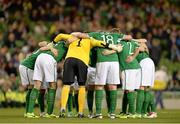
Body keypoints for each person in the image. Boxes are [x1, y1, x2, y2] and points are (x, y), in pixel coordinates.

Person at [54, 33, 122, 118]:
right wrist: (115, 47)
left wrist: (53, 42)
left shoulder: (72, 37)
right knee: (82, 86)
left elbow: (60, 35)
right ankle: (80, 112)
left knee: (66, 85)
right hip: (82, 61)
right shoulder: (90, 40)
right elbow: (102, 43)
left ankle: (63, 108)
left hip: (69, 60)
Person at [26, 40, 68, 118]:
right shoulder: (67, 47)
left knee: (37, 85)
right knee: (53, 86)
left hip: (40, 58)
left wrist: (51, 47)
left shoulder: (54, 43)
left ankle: (29, 112)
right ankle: (49, 113)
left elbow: (40, 45)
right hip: (49, 60)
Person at [102, 39, 141, 118]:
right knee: (130, 90)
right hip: (136, 67)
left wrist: (108, 52)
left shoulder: (120, 42)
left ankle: (131, 113)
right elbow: (139, 48)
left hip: (128, 68)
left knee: (129, 90)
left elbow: (118, 48)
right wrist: (133, 57)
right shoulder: (132, 42)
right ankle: (126, 112)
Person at [19, 41, 55, 118]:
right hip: (27, 67)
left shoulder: (46, 51)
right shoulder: (47, 50)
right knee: (32, 88)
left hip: (29, 67)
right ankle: (28, 112)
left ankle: (33, 112)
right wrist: (51, 47)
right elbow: (41, 45)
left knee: (35, 88)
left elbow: (40, 43)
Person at [126, 41, 157, 118]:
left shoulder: (131, 44)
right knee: (146, 89)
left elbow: (140, 47)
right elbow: (145, 46)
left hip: (144, 63)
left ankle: (139, 112)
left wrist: (133, 57)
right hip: (150, 62)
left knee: (141, 88)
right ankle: (151, 111)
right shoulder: (137, 43)